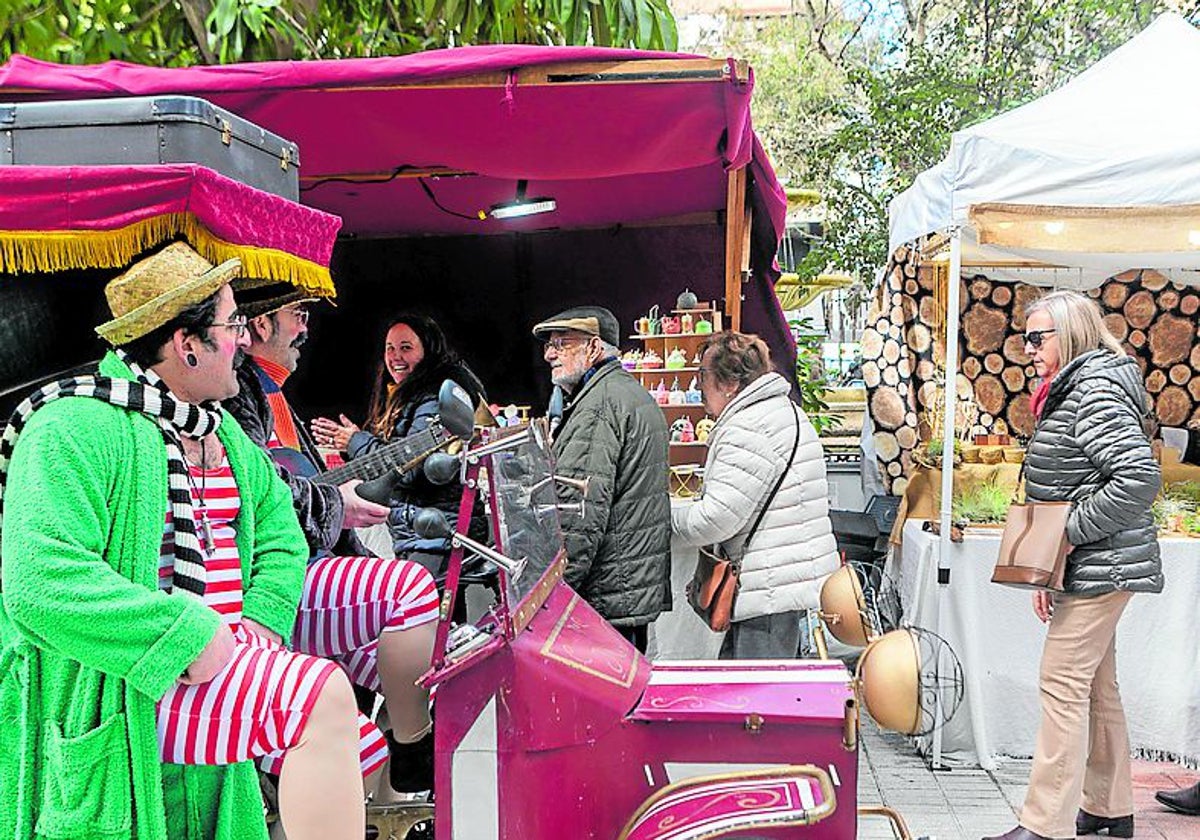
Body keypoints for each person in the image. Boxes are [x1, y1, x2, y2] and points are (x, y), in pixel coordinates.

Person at [0, 243, 364, 840]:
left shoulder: (221, 433)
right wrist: (186, 636)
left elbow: (280, 532)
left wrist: (261, 622)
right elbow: (40, 581)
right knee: (320, 698)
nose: (244, 341)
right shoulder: (71, 426)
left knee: (360, 741)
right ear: (186, 344)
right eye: (232, 325)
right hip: (128, 693)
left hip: (214, 671)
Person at [224, 285, 440, 795]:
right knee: (407, 590)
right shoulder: (238, 394)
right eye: (298, 315)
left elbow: (291, 484)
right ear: (259, 326)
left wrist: (339, 503)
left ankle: (396, 803)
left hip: (295, 583)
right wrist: (337, 506)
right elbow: (266, 495)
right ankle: (413, 747)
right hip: (273, 592)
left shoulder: (267, 390)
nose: (305, 328)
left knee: (431, 678)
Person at [985, 290, 1162, 840]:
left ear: (1072, 334)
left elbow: (1138, 479)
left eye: (1038, 338)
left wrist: (1064, 538)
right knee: (1095, 684)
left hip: (1102, 561)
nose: (1028, 349)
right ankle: (1109, 810)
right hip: (1097, 562)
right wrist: (1057, 557)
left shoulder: (1093, 391)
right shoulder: (1079, 388)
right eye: (1025, 338)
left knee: (1061, 682)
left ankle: (1044, 825)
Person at [671, 330, 839, 659]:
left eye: (702, 375)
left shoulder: (748, 427)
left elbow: (715, 519)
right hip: (788, 586)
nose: (697, 386)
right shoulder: (783, 412)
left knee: (758, 698)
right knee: (759, 693)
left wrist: (663, 513)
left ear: (730, 382)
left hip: (770, 595)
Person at [530, 306, 670, 653]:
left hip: (604, 597)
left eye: (562, 343)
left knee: (601, 703)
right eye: (549, 344)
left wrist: (554, 596)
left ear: (593, 348)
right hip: (622, 593)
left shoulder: (599, 404)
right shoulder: (625, 394)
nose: (549, 353)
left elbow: (578, 513)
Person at [311, 314, 487, 575]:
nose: (395, 357)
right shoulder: (409, 394)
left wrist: (355, 442)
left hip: (434, 534)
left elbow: (411, 466)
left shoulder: (433, 397)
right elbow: (395, 450)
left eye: (406, 348)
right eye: (389, 348)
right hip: (422, 533)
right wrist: (353, 442)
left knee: (420, 611)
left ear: (429, 350)